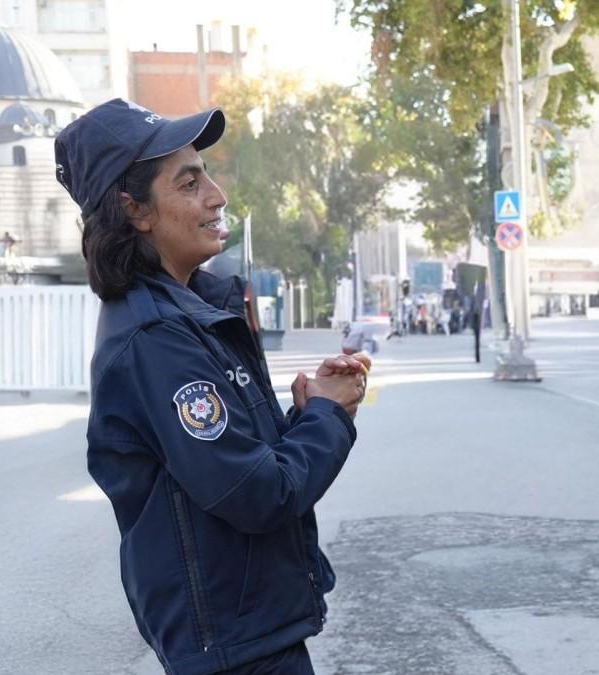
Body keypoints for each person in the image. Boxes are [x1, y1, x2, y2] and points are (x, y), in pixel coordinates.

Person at [55, 99, 369, 675]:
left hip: (246, 631)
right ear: (134, 209)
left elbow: (234, 465)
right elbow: (259, 494)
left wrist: (308, 414)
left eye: (207, 175)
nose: (217, 196)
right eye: (189, 183)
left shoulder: (192, 313)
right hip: (234, 649)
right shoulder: (156, 338)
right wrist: (328, 417)